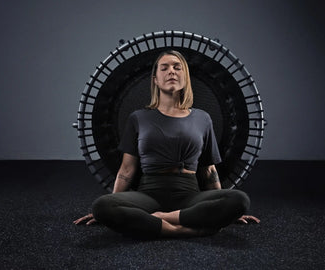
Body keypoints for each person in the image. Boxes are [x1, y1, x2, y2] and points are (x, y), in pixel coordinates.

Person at [74, 50, 260, 238]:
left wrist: (222, 206)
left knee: (239, 200)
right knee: (102, 206)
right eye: (165, 68)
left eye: (177, 67)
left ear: (185, 78)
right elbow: (127, 169)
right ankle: (180, 230)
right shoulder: (138, 118)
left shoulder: (203, 118)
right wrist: (113, 201)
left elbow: (208, 170)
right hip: (148, 195)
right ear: (155, 79)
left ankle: (162, 220)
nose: (171, 71)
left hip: (190, 196)